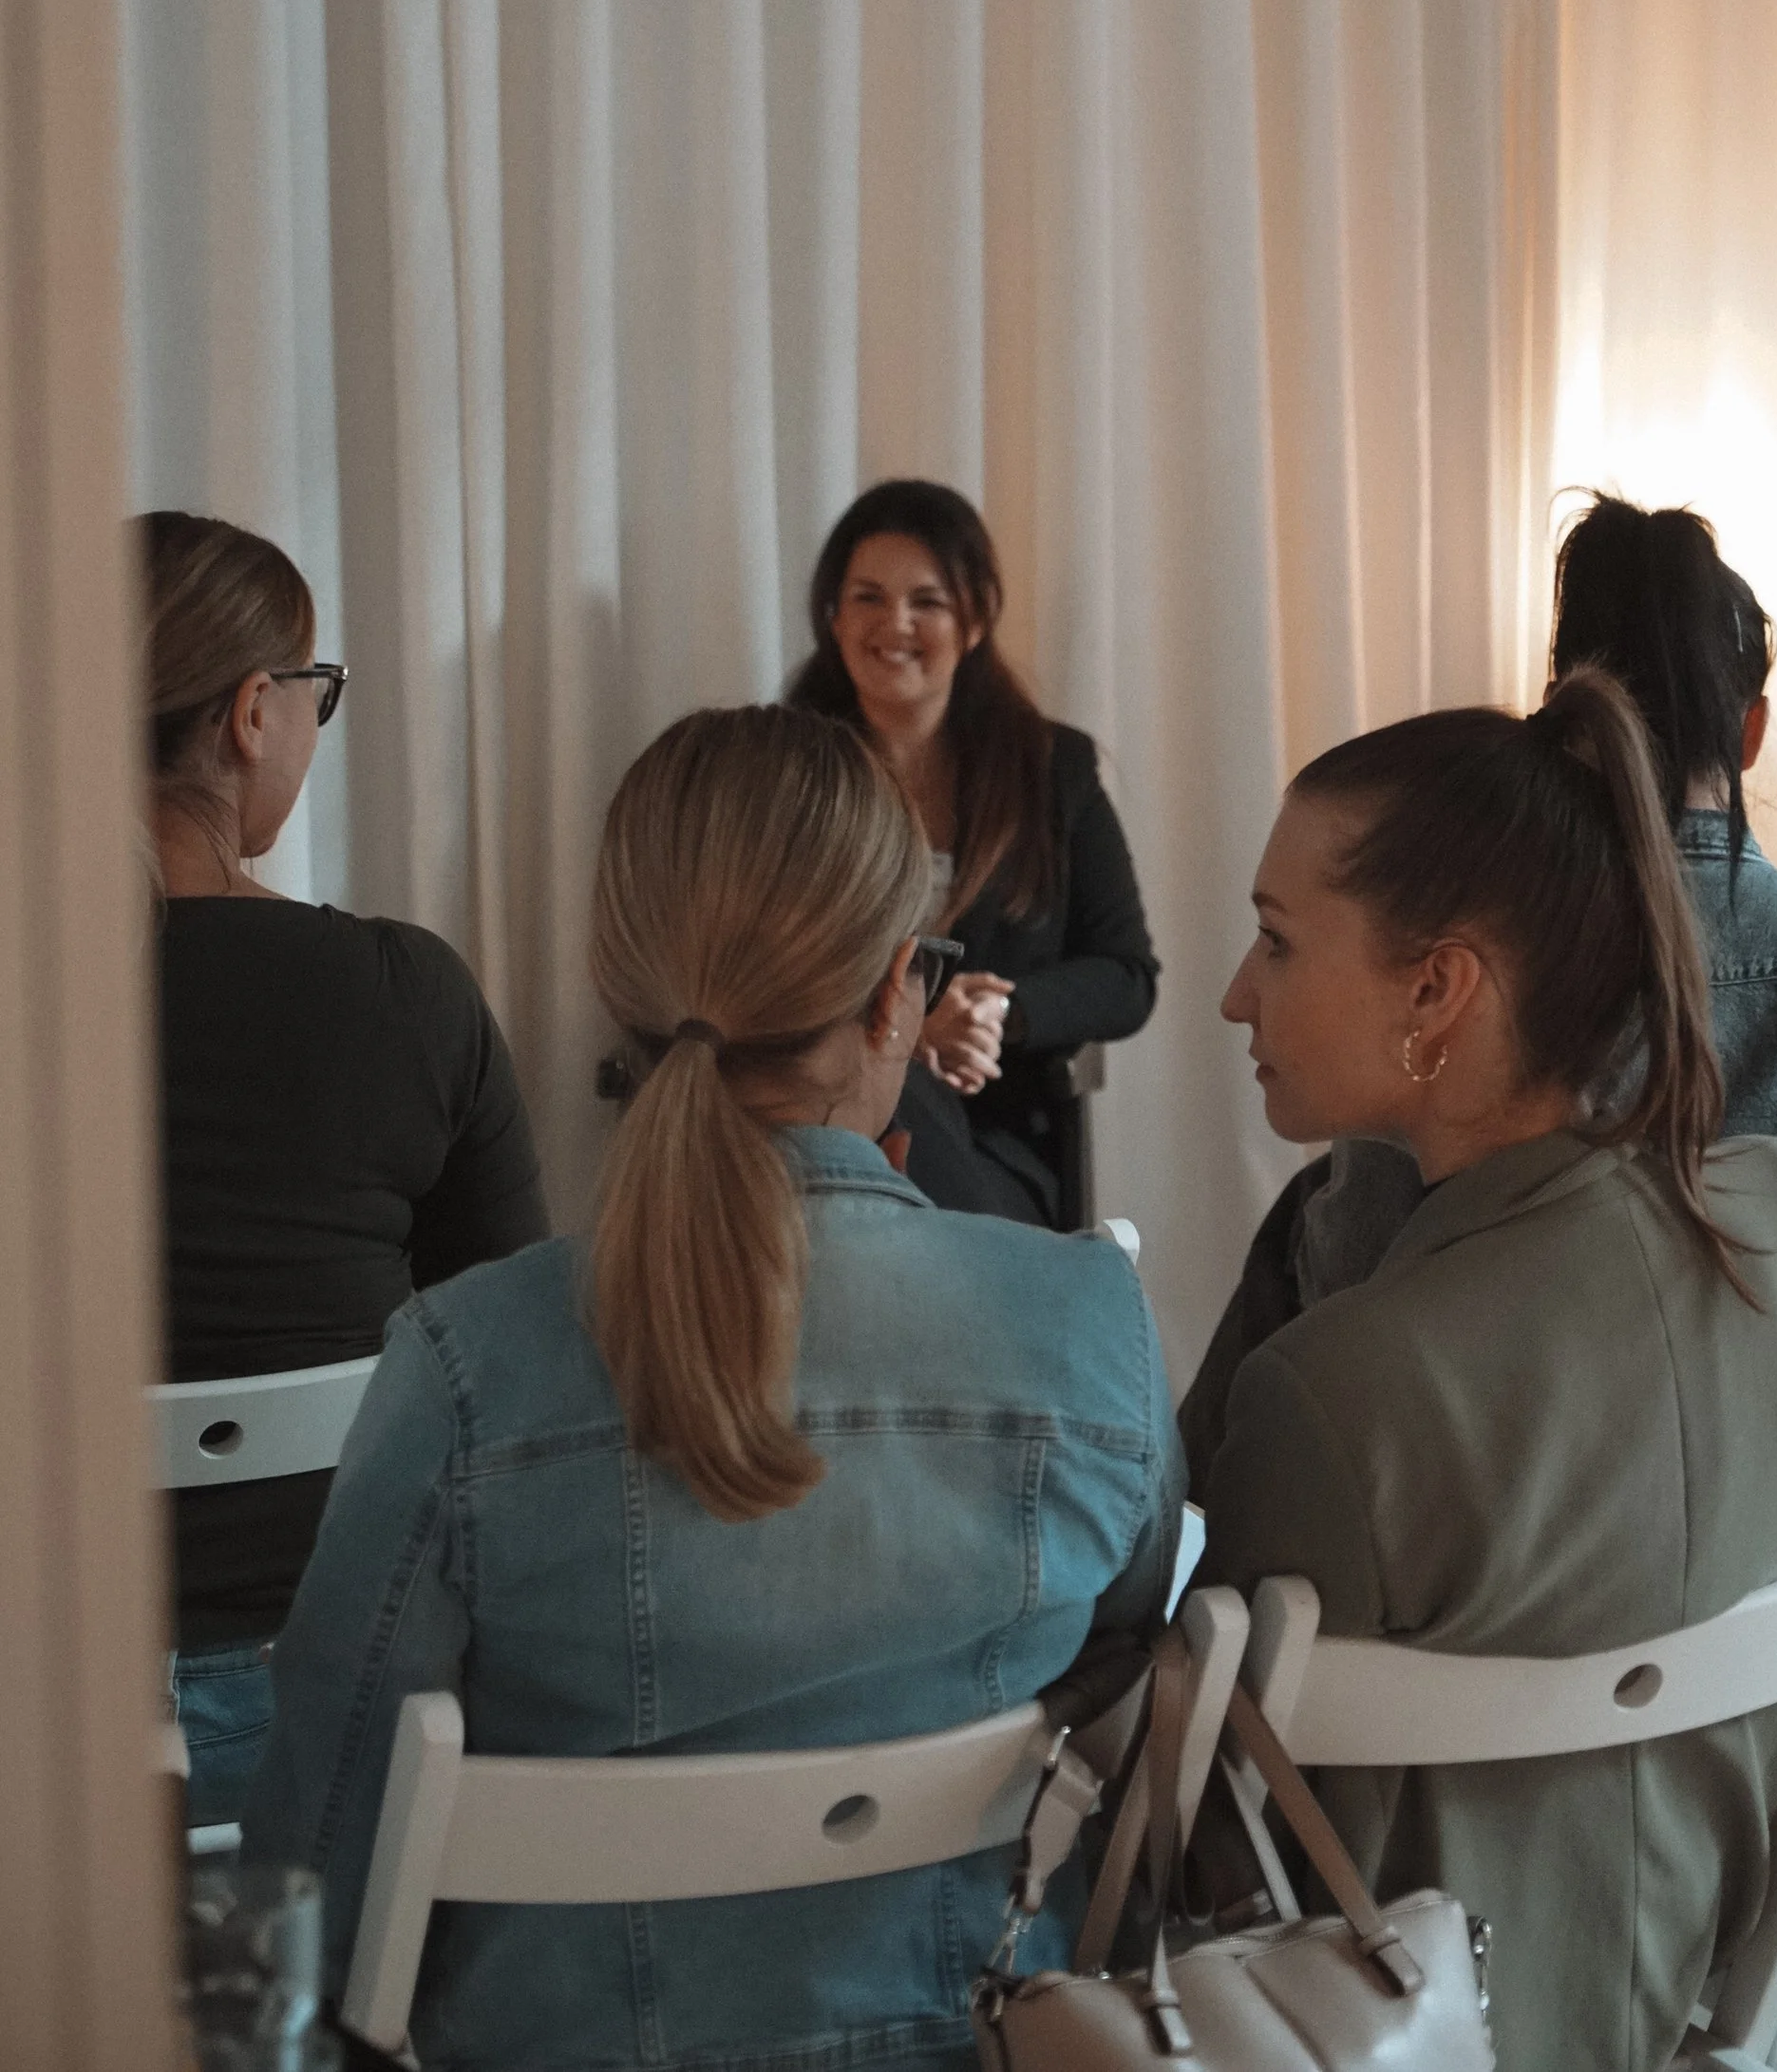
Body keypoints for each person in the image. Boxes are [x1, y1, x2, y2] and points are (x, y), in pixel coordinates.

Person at [246, 705, 1181, 2065]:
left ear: (623, 989)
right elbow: (1129, 1674)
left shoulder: (463, 1363)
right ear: (893, 997)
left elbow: (325, 1849)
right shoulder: (1094, 1322)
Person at [1200, 671, 1777, 2072]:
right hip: (1717, 1984)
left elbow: (1239, 1881)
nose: (1234, 992)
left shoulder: (1334, 1393)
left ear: (1438, 986)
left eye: (1277, 941)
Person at [1182, 495, 1777, 1481]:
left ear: (1564, 715)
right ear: (1750, 733)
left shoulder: (1505, 951)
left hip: (1513, 1491)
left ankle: (1170, 1577)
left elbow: (1368, 1287)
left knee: (1308, 1218)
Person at [143, 509, 547, 1828]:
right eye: (318, 694)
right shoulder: (403, 992)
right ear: (254, 711)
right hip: (336, 1697)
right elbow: (517, 1343)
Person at [784, 480, 1157, 1227]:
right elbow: (758, 967)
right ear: (833, 615)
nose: (896, 623)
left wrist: (998, 1012)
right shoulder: (788, 771)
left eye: (928, 600)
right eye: (867, 597)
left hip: (994, 1137)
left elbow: (1125, 975)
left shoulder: (1054, 770)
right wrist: (906, 1034)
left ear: (975, 619)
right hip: (818, 1124)